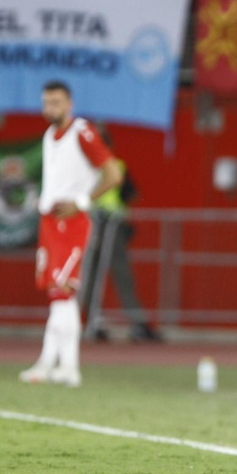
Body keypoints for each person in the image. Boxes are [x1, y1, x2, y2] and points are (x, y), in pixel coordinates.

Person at [20, 82, 123, 387]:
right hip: (50, 221)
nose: (50, 108)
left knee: (63, 292)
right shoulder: (49, 136)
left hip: (72, 221)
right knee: (58, 294)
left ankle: (60, 365)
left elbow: (113, 173)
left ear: (70, 104)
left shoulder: (82, 131)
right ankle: (60, 366)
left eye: (56, 102)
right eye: (46, 102)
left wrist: (80, 202)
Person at [81, 128, 160, 343]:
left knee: (89, 275)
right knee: (115, 275)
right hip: (108, 226)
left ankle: (88, 320)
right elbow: (132, 194)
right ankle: (133, 323)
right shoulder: (115, 166)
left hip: (94, 226)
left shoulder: (86, 168)